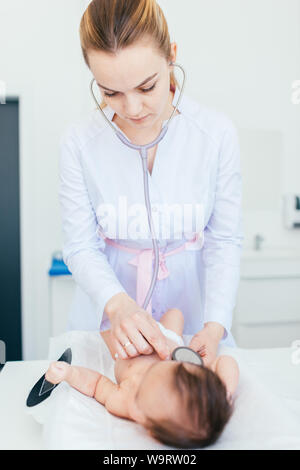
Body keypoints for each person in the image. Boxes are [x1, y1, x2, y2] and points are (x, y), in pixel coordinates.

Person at [59, 0, 243, 368]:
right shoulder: (80, 143)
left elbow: (224, 240)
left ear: (171, 57)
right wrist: (117, 302)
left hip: (194, 322)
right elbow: (79, 246)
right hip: (112, 328)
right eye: (110, 92)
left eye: (147, 87)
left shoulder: (214, 135)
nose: (132, 108)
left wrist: (214, 326)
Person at [45, 308, 239, 448]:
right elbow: (226, 361)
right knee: (176, 313)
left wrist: (70, 374)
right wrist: (225, 392)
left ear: (146, 423)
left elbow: (96, 384)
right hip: (167, 338)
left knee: (107, 327)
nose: (159, 364)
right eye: (171, 366)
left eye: (144, 383)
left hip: (126, 344)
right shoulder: (186, 374)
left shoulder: (125, 402)